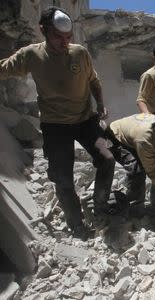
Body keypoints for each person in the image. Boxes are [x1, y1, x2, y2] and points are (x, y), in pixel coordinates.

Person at [0, 7, 115, 240]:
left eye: (68, 37)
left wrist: (100, 104)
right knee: (62, 177)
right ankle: (76, 223)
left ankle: (100, 206)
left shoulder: (80, 53)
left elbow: (94, 80)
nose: (64, 42)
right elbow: (4, 69)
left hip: (85, 120)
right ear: (43, 31)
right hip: (55, 126)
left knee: (107, 159)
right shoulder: (31, 55)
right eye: (58, 37)